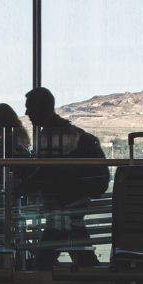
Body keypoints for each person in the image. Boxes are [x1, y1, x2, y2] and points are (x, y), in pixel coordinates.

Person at [18, 87, 108, 269]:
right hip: (71, 209)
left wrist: (21, 187)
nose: (26, 112)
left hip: (62, 212)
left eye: (29, 107)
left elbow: (47, 171)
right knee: (83, 258)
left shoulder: (50, 135)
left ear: (41, 107)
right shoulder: (69, 133)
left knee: (43, 263)